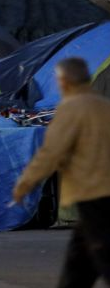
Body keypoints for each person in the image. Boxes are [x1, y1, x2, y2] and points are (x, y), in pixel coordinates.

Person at [13, 57, 110, 288]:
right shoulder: (103, 105)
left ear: (65, 81)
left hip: (90, 190)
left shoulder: (70, 108)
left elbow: (51, 152)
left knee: (102, 250)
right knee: (80, 256)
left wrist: (24, 184)